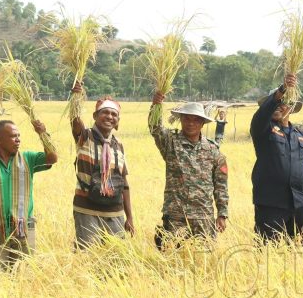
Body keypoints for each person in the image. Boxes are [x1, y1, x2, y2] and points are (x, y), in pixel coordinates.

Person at [0, 120, 57, 269]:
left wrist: (43, 134)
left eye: (19, 135)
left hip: (24, 229)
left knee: (24, 276)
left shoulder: (28, 159)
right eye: (13, 136)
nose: (18, 139)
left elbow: (52, 158)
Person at [150, 94, 229, 250]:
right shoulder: (170, 143)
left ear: (202, 123)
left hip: (203, 216)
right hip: (176, 215)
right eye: (187, 119)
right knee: (173, 258)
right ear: (181, 120)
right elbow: (155, 128)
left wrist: (222, 214)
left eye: (196, 120)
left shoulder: (214, 151)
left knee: (203, 259)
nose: (191, 123)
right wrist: (156, 106)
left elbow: (221, 186)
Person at [250, 74, 303, 243]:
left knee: (301, 253)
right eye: (275, 103)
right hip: (271, 203)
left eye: (283, 103)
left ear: (291, 107)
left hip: (300, 204)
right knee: (267, 254)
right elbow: (260, 117)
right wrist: (281, 91)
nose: (278, 107)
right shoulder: (263, 130)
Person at [70, 83, 134, 249]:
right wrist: (76, 98)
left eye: (114, 114)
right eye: (105, 112)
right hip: (87, 209)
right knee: (87, 256)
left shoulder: (118, 145)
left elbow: (125, 184)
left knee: (116, 259)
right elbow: (75, 122)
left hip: (115, 211)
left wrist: (130, 217)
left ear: (118, 121)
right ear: (95, 116)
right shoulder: (85, 136)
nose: (109, 116)